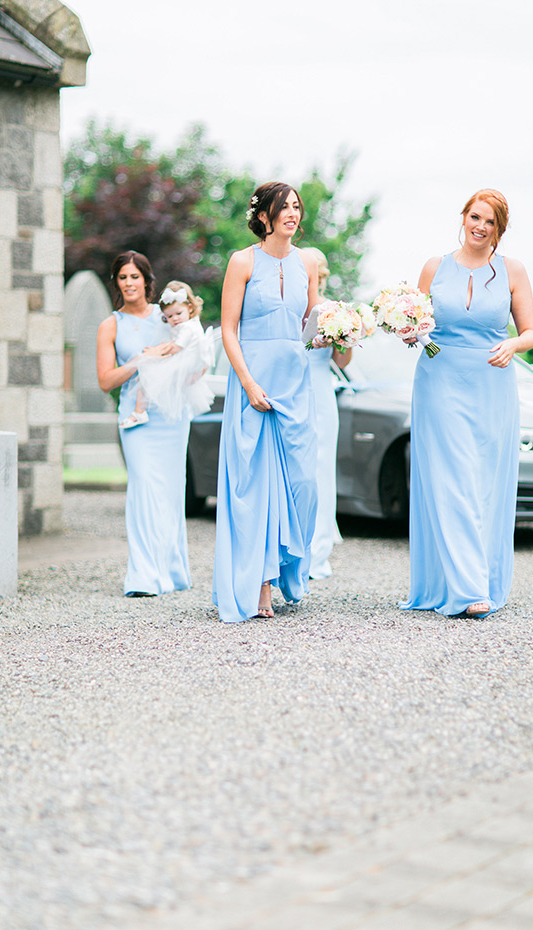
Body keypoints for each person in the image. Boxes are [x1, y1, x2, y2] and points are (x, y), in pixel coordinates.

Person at [401, 189, 533, 618]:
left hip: (492, 385)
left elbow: (531, 332)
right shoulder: (433, 268)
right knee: (452, 479)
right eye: (475, 217)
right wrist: (407, 332)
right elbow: (416, 325)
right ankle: (468, 589)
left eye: (490, 222)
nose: (480, 227)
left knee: (484, 485)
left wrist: (513, 345)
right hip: (439, 381)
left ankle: (474, 576)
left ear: (500, 229)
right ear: (463, 217)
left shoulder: (512, 271)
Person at [213, 182, 319, 623]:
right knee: (255, 487)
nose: (292, 214)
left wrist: (345, 330)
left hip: (296, 384)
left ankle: (290, 569)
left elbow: (312, 327)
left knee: (303, 484)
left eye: (297, 207)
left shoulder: (309, 262)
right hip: (253, 383)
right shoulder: (242, 261)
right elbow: (228, 329)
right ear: (263, 216)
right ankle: (260, 586)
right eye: (284, 208)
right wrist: (248, 383)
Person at [96, 251, 192, 597]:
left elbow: (189, 345)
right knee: (142, 491)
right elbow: (106, 381)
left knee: (170, 491)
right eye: (122, 277)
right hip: (136, 421)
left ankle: (173, 572)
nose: (129, 283)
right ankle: (144, 577)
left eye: (135, 276)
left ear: (147, 280)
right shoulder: (111, 325)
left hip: (171, 416)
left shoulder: (166, 315)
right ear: (116, 283)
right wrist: (141, 359)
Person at [302, 247, 351, 579]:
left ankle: (319, 551)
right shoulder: (291, 307)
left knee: (321, 468)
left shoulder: (334, 310)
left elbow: (341, 362)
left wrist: (345, 338)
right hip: (293, 388)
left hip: (321, 390)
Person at [119, 281, 214, 428]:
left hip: (185, 363)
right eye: (169, 316)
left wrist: (155, 352)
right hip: (189, 364)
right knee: (152, 379)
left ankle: (139, 411)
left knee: (146, 372)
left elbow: (176, 348)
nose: (174, 318)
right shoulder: (189, 324)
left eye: (178, 314)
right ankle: (142, 411)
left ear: (189, 308)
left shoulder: (188, 328)